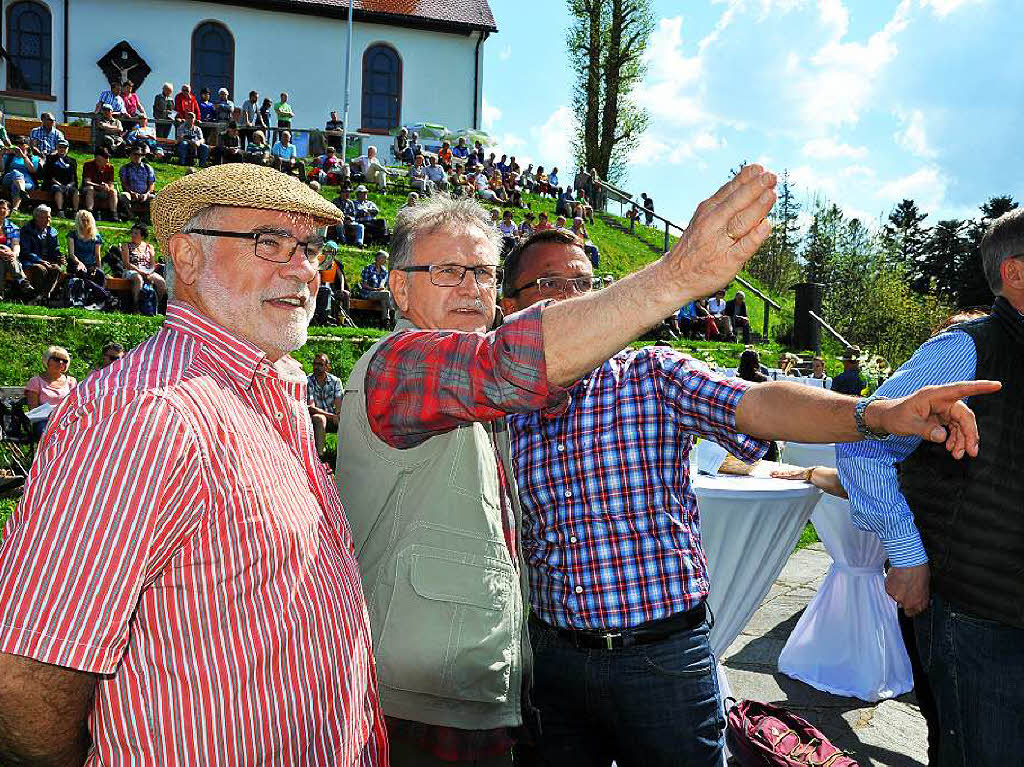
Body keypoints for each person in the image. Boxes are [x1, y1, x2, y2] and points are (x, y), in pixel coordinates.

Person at [498, 225, 999, 767]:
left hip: (662, 659)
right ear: (508, 308)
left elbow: (759, 402)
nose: (577, 300)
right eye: (551, 284)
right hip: (551, 658)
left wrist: (873, 414)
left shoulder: (649, 375)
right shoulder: (497, 408)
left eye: (585, 283)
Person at [0, 163, 387, 765]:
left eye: (310, 247)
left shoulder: (267, 389)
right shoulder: (144, 413)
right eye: (269, 242)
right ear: (183, 256)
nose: (304, 268)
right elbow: (26, 673)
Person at [835, 209, 1024, 767]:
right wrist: (908, 555)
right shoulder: (965, 348)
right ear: (1015, 273)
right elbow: (861, 438)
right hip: (979, 612)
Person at [23, 345, 76, 434]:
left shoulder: (71, 381)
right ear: (47, 361)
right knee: (49, 433)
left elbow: (74, 405)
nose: (61, 363)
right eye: (56, 359)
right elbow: (33, 409)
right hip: (44, 421)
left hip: (65, 420)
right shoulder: (36, 381)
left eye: (64, 361)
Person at [19, 205, 64, 300]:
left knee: (56, 269)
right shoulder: (26, 230)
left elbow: (56, 249)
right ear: (36, 218)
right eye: (44, 217)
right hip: (31, 260)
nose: (48, 220)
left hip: (48, 260)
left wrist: (59, 257)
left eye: (49, 217)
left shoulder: (53, 232)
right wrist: (40, 261)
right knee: (40, 269)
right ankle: (35, 295)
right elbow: (25, 251)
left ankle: (44, 295)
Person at [121, 224, 165, 310]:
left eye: (136, 233)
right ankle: (136, 305)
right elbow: (126, 264)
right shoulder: (126, 246)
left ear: (142, 236)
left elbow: (152, 264)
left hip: (147, 271)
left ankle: (156, 306)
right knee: (138, 278)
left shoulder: (149, 247)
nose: (133, 235)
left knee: (160, 281)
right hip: (131, 270)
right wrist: (141, 272)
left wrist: (149, 272)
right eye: (132, 233)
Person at [307, 352, 342, 459]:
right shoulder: (307, 381)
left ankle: (346, 455)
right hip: (316, 417)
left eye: (320, 364)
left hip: (333, 416)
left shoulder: (335, 381)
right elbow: (311, 407)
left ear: (327, 367)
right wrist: (332, 416)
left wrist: (338, 414)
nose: (316, 367)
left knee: (347, 419)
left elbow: (339, 401)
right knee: (319, 418)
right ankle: (320, 456)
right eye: (315, 364)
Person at [66, 210, 107, 295]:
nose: (85, 222)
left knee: (100, 274)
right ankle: (104, 295)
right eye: (83, 220)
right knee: (82, 272)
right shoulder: (72, 235)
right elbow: (71, 254)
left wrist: (98, 267)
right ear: (78, 221)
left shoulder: (96, 237)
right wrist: (80, 263)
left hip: (90, 264)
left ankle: (98, 297)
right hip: (76, 263)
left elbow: (97, 255)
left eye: (87, 220)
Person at [0, 198, 33, 301]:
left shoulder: (12, 227)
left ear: (8, 211)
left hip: (5, 257)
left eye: (4, 208)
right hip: (3, 253)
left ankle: (0, 293)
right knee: (4, 248)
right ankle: (22, 280)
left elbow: (16, 244)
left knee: (5, 260)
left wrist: (14, 254)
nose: (1, 211)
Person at [81, 146, 120, 221]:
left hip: (104, 190)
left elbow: (111, 183)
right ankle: (90, 213)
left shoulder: (110, 167)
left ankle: (114, 214)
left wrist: (108, 188)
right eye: (105, 157)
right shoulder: (88, 165)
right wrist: (98, 186)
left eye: (107, 157)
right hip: (91, 189)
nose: (107, 159)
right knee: (90, 189)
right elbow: (87, 181)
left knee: (114, 191)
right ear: (98, 157)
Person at [41, 139, 78, 216]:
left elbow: (74, 178)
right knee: (58, 188)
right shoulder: (50, 159)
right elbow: (48, 176)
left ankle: (75, 212)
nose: (62, 149)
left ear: (67, 149)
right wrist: (59, 184)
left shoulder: (72, 161)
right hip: (53, 184)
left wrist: (69, 185)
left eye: (64, 147)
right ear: (57, 148)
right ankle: (60, 211)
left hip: (68, 184)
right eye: (60, 147)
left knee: (75, 191)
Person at [2, 136, 39, 213]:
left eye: (21, 143)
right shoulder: (9, 156)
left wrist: (23, 156)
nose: (18, 146)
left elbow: (32, 170)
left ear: (27, 146)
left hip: (27, 182)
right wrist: (0, 155)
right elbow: (1, 169)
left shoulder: (34, 158)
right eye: (17, 143)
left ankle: (15, 208)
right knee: (16, 172)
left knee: (15, 185)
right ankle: (22, 192)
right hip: (9, 178)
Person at [119, 146, 157, 214]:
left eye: (139, 155)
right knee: (124, 195)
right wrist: (131, 192)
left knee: (155, 198)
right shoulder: (125, 168)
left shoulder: (148, 168)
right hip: (130, 193)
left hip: (145, 194)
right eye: (134, 154)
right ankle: (130, 215)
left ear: (142, 156)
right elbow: (124, 184)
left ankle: (148, 218)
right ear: (130, 155)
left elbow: (151, 185)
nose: (137, 156)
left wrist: (146, 194)